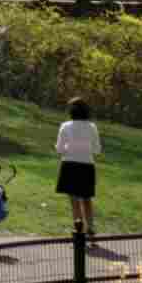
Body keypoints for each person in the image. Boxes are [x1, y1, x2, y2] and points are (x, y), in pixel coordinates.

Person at [56, 98, 102, 242]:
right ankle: (91, 228)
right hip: (86, 166)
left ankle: (78, 228)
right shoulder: (92, 127)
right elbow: (97, 150)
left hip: (69, 165)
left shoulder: (65, 126)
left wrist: (68, 149)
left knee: (74, 199)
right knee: (86, 198)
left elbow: (59, 149)